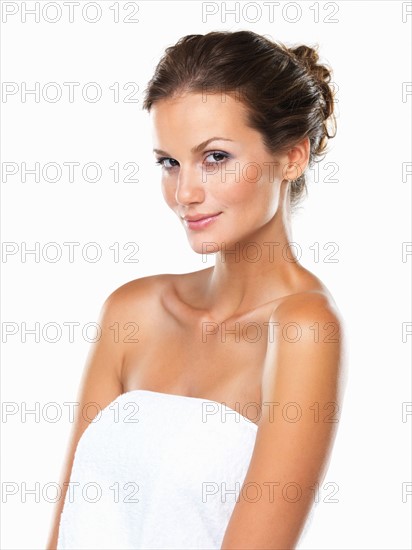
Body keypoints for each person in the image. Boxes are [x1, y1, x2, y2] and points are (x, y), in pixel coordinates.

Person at [47, 30, 347, 549]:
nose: (185, 192)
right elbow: (68, 527)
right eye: (170, 162)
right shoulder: (133, 311)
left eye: (215, 158)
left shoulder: (301, 330)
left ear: (293, 157)